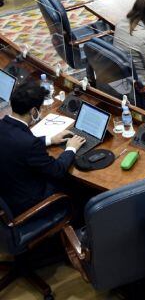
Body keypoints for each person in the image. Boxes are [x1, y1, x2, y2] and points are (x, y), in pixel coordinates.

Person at [0, 81, 85, 217]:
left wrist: (50, 139)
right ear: (34, 111)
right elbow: (57, 170)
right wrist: (71, 149)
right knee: (76, 184)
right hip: (29, 204)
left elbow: (16, 144)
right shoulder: (29, 144)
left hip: (8, 194)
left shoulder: (3, 125)